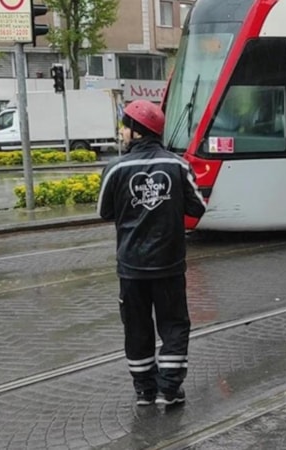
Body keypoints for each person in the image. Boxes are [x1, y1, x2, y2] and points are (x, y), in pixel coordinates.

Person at [97, 99, 207, 405]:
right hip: (169, 265)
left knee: (136, 327)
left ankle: (144, 390)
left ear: (136, 131)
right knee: (173, 325)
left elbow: (104, 212)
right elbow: (198, 207)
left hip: (131, 267)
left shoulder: (116, 168)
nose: (121, 131)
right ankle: (169, 390)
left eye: (124, 126)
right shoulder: (178, 166)